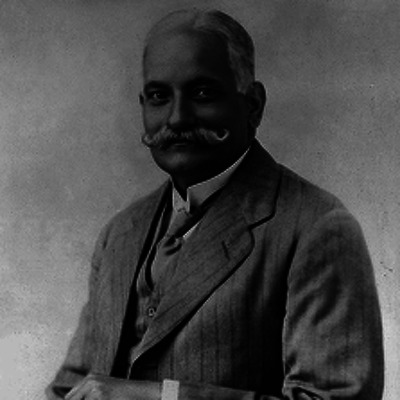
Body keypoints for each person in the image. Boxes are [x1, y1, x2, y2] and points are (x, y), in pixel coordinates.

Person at [46, 8, 384, 400]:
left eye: (203, 93)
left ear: (253, 105)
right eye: (158, 97)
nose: (177, 118)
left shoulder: (317, 227)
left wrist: (161, 396)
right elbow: (70, 389)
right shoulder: (120, 234)